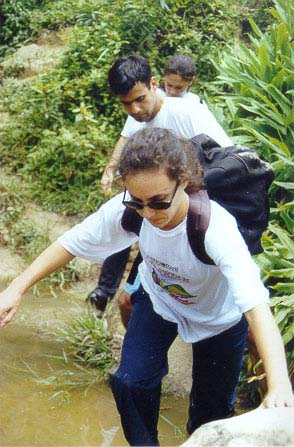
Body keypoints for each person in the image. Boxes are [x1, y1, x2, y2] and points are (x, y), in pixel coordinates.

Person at [0, 128, 293, 447]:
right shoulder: (130, 209)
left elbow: (256, 305)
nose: (149, 214)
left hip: (219, 320)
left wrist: (279, 386)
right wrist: (17, 287)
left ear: (183, 180)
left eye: (159, 202)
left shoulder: (214, 227)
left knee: (210, 418)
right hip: (160, 303)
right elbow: (71, 242)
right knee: (130, 383)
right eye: (138, 202)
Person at [86, 54, 231, 318]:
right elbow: (125, 137)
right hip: (155, 213)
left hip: (191, 218)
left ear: (154, 84)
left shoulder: (188, 112)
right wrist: (110, 170)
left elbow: (226, 158)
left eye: (139, 100)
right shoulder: (138, 114)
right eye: (126, 103)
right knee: (128, 300)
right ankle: (108, 294)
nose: (134, 109)